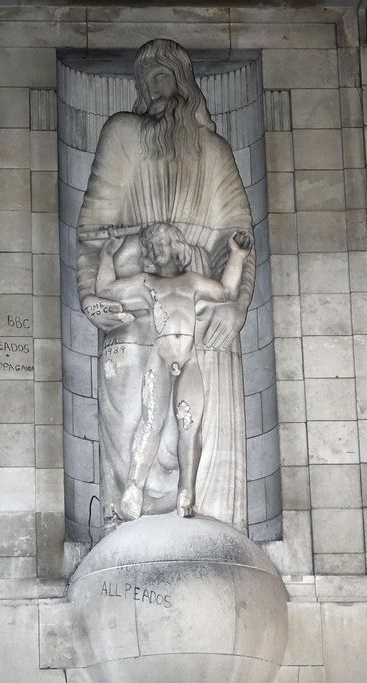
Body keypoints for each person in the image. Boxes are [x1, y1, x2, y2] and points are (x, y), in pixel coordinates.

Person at [76, 38, 255, 532]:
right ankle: (127, 514)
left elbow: (239, 236)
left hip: (199, 310)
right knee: (141, 417)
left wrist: (235, 306)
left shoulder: (214, 152)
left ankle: (200, 514)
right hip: (134, 296)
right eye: (146, 79)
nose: (155, 88)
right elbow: (93, 230)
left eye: (163, 76)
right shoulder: (123, 134)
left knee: (192, 422)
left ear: (184, 83)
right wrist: (91, 295)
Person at [96, 223, 253, 520]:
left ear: (176, 245)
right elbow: (104, 289)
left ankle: (186, 494)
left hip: (189, 358)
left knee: (190, 427)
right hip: (161, 355)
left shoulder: (191, 281)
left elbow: (228, 291)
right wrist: (106, 255)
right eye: (152, 246)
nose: (157, 251)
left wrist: (236, 255)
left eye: (163, 244)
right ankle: (133, 487)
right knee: (151, 421)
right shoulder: (147, 282)